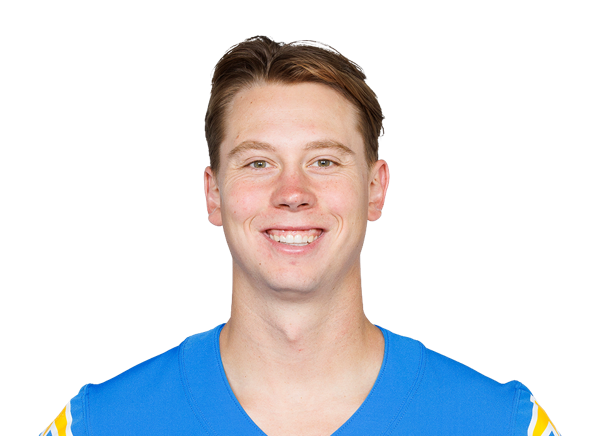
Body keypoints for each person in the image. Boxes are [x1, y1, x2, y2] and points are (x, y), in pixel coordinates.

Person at [40, 35, 560, 436]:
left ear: (375, 189)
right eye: (259, 162)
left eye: (324, 161)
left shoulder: (506, 424)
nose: (293, 192)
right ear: (213, 194)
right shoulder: (95, 424)